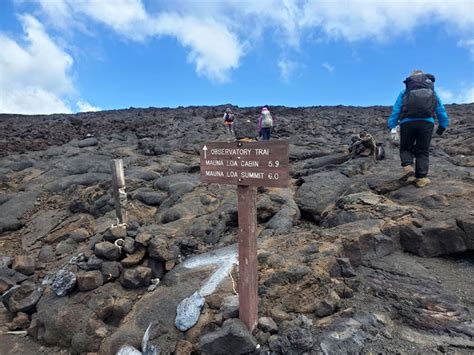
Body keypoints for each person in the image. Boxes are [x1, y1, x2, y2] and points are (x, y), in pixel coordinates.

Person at [387, 70, 449, 188]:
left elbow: (396, 109)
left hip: (407, 122)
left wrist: (392, 125)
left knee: (406, 147)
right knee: (422, 150)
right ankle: (421, 179)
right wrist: (443, 125)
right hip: (426, 123)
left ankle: (408, 166)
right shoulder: (432, 92)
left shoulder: (405, 92)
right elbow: (440, 109)